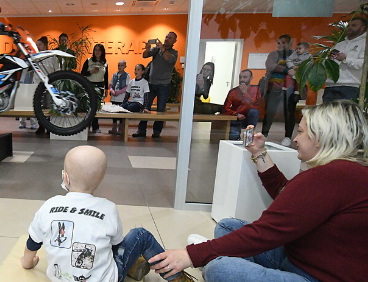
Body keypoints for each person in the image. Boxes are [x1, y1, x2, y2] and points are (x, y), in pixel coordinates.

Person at [148, 100, 368, 282]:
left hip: (316, 275)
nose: (295, 139)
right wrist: (259, 152)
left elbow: (265, 232)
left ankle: (223, 261)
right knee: (227, 226)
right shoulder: (343, 172)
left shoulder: (331, 177)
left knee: (221, 270)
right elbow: (287, 195)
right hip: (302, 255)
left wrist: (190, 255)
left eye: (301, 132)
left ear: (321, 137)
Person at [22, 146, 195, 282]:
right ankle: (175, 277)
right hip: (108, 279)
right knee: (141, 235)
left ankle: (134, 267)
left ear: (65, 178)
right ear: (100, 180)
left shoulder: (50, 205)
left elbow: (33, 241)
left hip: (60, 279)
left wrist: (27, 263)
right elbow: (116, 246)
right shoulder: (107, 208)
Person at [134, 32, 178, 138]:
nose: (167, 39)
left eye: (170, 38)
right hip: (151, 84)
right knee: (146, 107)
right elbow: (145, 55)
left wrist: (162, 48)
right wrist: (148, 49)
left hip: (164, 85)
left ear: (174, 41)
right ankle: (141, 130)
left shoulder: (174, 53)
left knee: (161, 109)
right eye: (166, 37)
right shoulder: (156, 49)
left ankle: (157, 132)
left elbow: (169, 59)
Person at [324, 17, 367, 101]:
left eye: (354, 25)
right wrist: (328, 59)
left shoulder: (365, 44)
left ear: (362, 28)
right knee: (327, 114)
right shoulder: (339, 44)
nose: (349, 27)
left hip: (349, 87)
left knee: (346, 113)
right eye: (349, 26)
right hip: (330, 86)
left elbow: (363, 64)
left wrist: (345, 59)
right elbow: (326, 64)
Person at [261, 34, 293, 140]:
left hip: (289, 88)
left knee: (288, 113)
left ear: (289, 44)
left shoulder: (294, 54)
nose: (280, 45)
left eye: (283, 43)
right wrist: (286, 70)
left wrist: (286, 69)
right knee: (270, 111)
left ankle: (287, 137)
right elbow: (270, 65)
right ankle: (264, 135)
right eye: (279, 43)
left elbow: (298, 68)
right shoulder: (273, 54)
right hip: (273, 87)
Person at [281, 42, 312, 146]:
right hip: (292, 72)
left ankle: (297, 92)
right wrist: (292, 67)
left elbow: (309, 65)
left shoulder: (309, 56)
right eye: (297, 48)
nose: (298, 50)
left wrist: (298, 68)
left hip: (301, 74)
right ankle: (285, 88)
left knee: (299, 82)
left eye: (300, 48)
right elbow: (289, 61)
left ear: (306, 49)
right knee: (288, 79)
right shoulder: (294, 54)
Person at [221, 70, 261, 140]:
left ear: (251, 78)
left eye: (245, 77)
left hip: (249, 118)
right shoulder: (233, 91)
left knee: (254, 112)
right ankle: (236, 136)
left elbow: (256, 106)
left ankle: (249, 136)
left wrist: (245, 93)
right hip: (236, 119)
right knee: (233, 138)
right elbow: (225, 109)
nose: (242, 79)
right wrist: (236, 114)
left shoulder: (256, 90)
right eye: (240, 77)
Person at [81, 44, 108, 134]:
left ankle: (96, 127)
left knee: (96, 107)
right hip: (90, 85)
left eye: (99, 50)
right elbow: (82, 73)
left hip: (100, 86)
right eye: (95, 50)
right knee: (89, 106)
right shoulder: (89, 61)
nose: (97, 52)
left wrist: (106, 88)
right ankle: (87, 125)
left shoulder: (105, 62)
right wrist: (90, 72)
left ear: (102, 52)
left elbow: (106, 76)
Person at [109, 60, 131, 134]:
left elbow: (127, 86)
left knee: (121, 113)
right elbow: (111, 85)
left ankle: (121, 128)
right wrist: (112, 91)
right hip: (114, 97)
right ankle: (114, 128)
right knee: (114, 113)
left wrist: (119, 92)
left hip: (121, 97)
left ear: (125, 66)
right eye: (119, 65)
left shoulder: (127, 75)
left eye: (122, 65)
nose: (120, 67)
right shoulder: (114, 75)